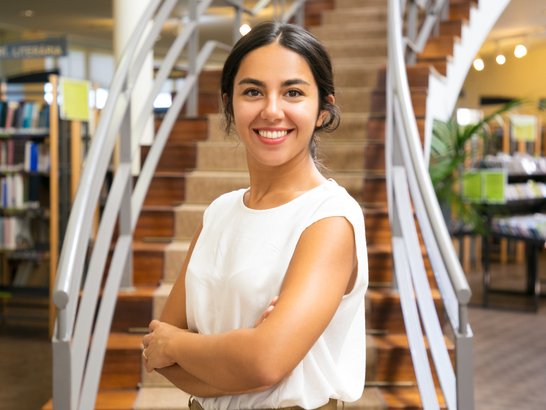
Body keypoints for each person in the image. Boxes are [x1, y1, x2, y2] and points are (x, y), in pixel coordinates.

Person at [141, 21, 368, 410]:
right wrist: (238, 358)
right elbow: (155, 353)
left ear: (322, 109)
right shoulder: (219, 213)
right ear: (229, 103)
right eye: (253, 91)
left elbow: (264, 362)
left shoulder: (330, 219)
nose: (272, 110)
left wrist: (179, 345)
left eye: (293, 92)